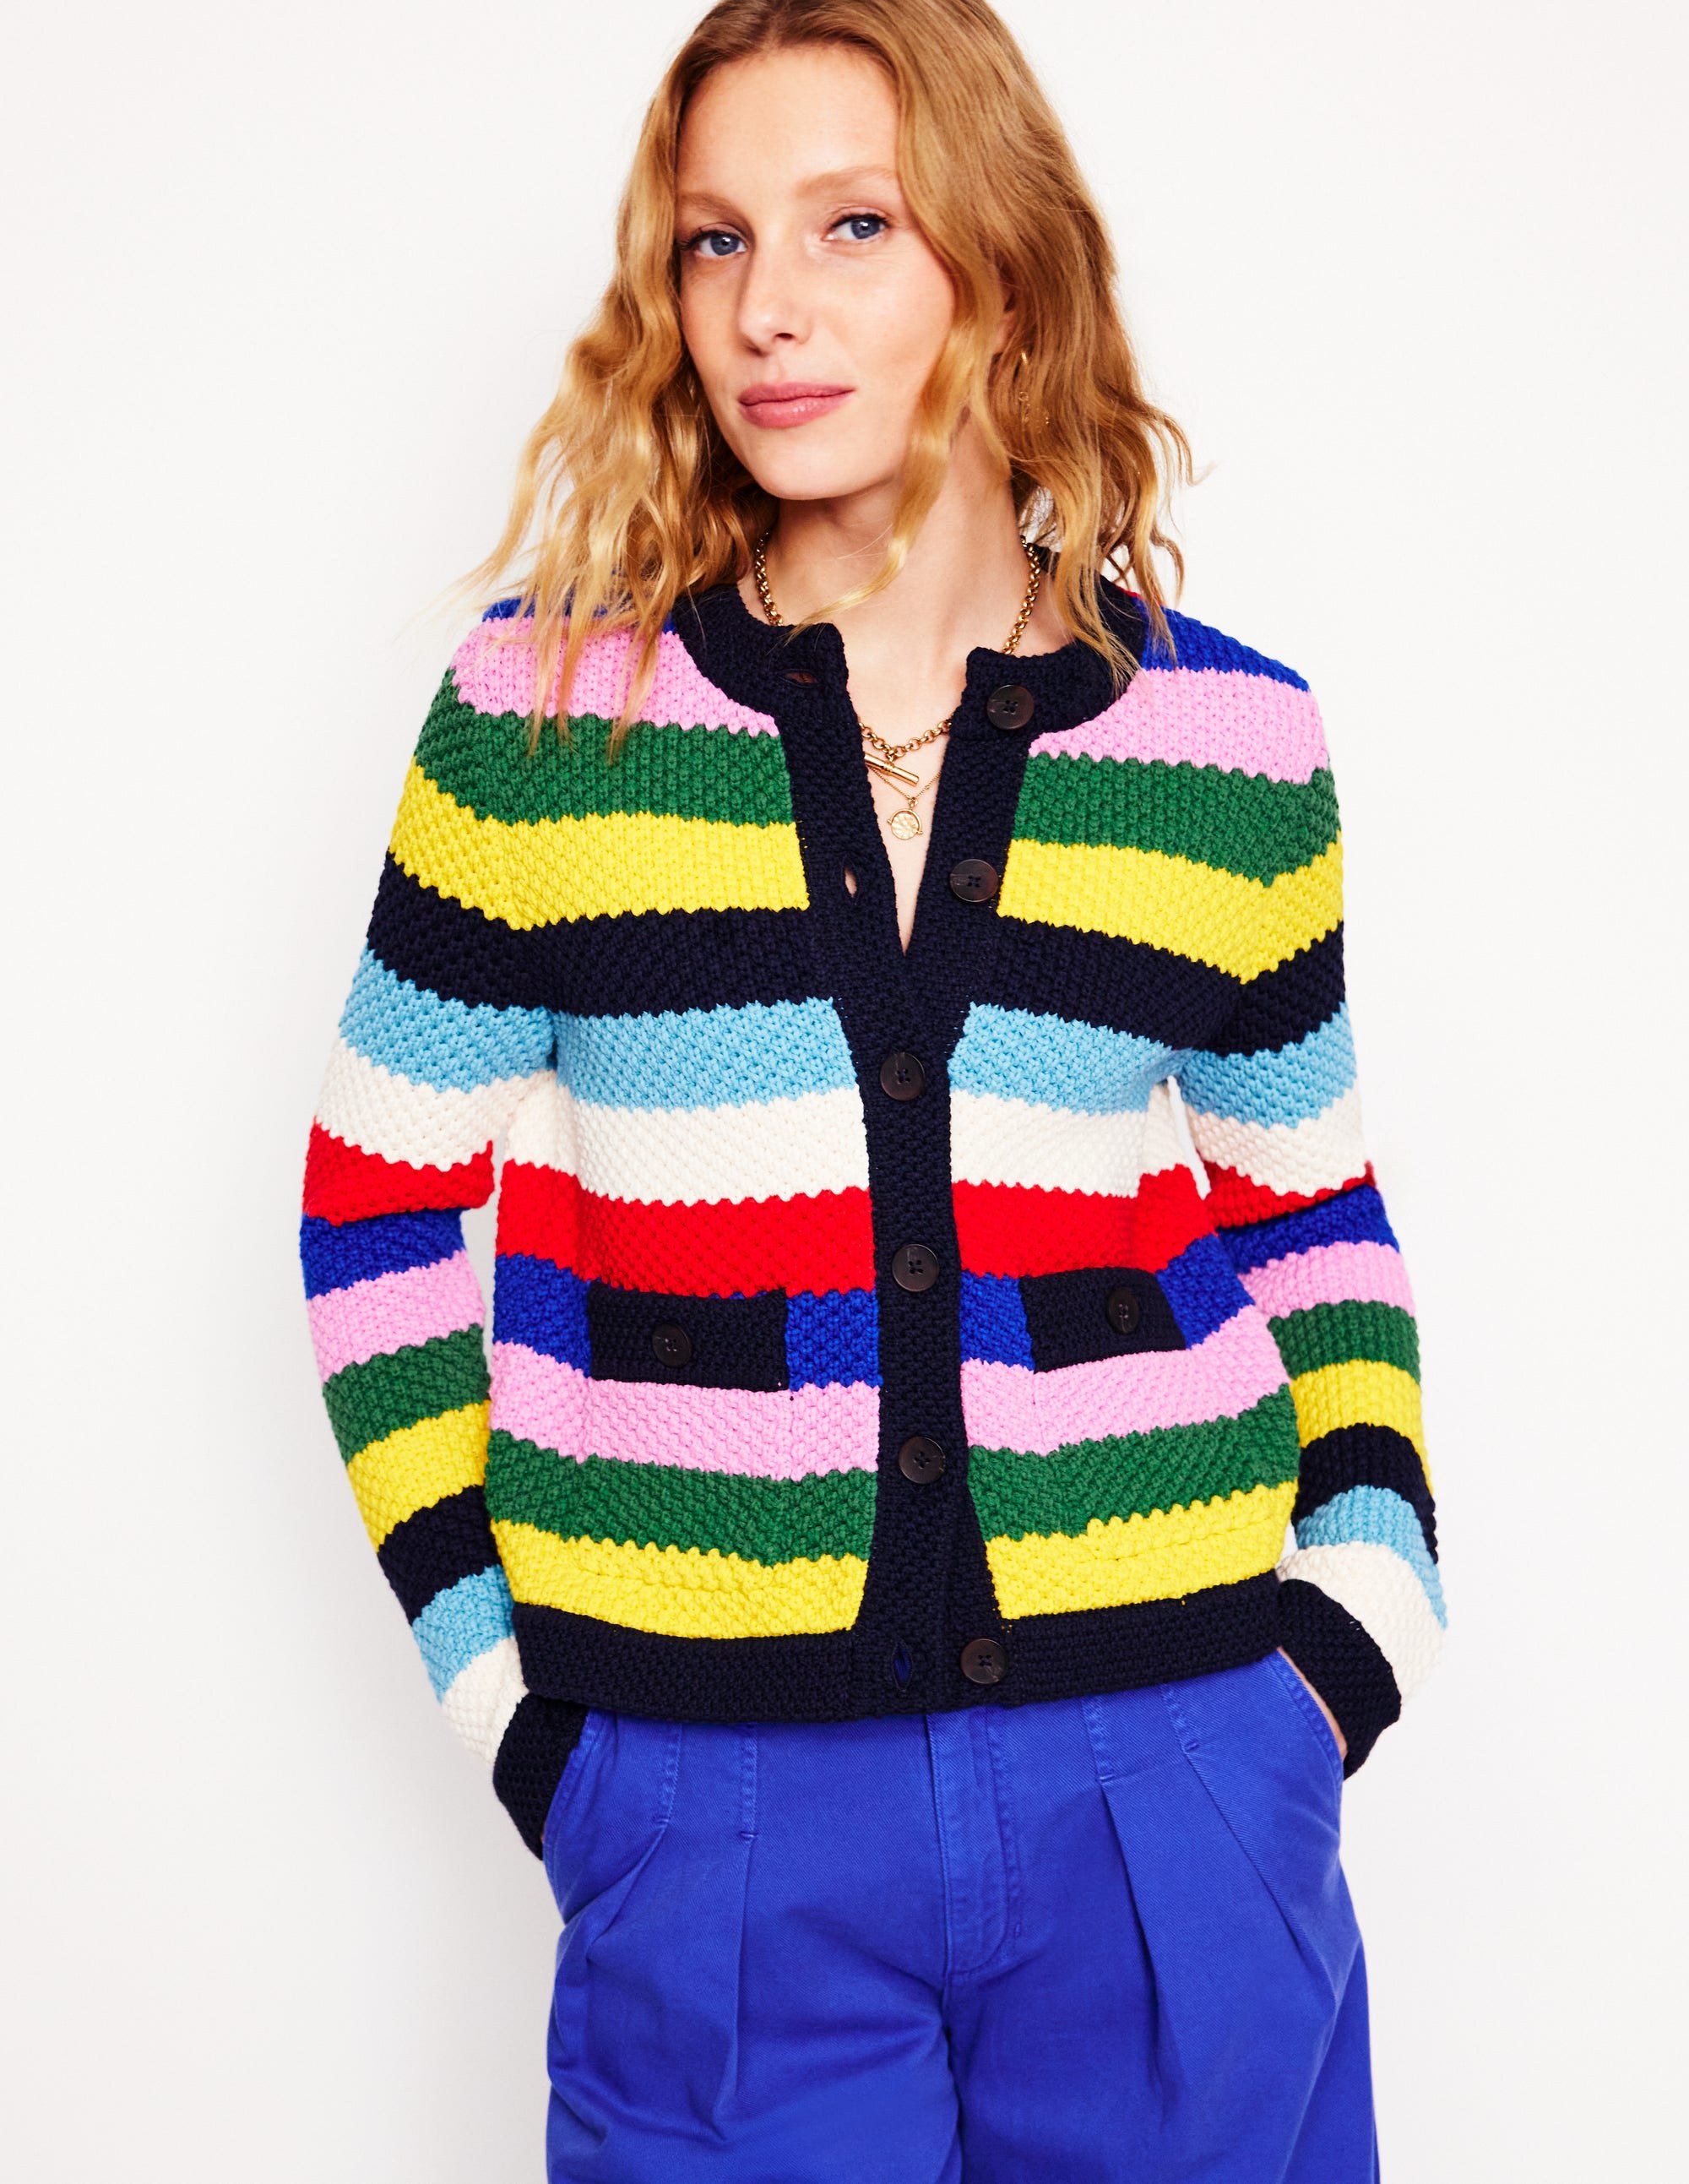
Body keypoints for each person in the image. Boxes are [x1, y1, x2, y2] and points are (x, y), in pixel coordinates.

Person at [300, 2, 1443, 2175]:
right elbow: (370, 1212)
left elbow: (1311, 1209)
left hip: (1173, 1760)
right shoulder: (545, 722)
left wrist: (1348, 1638)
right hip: (712, 1798)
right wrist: (517, 1712)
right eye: (714, 240)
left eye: (851, 225)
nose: (767, 307)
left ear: (998, 271)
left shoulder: (1229, 747)